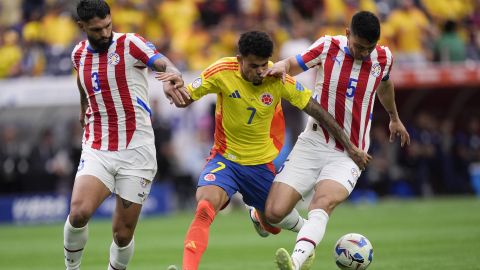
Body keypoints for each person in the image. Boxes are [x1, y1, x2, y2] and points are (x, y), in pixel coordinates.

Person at [156, 30, 371, 270]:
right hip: (225, 159)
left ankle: (265, 219)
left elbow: (315, 109)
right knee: (205, 206)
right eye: (253, 66)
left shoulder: (277, 77)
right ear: (239, 59)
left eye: (264, 64)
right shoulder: (221, 71)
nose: (260, 71)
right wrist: (174, 91)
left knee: (273, 223)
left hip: (260, 166)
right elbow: (186, 98)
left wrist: (350, 146)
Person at [262, 11, 411, 270]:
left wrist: (393, 117)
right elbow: (292, 64)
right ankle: (304, 238)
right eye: (359, 46)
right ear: (347, 34)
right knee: (274, 213)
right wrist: (280, 67)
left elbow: (385, 85)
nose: (364, 53)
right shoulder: (327, 47)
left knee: (323, 203)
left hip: (350, 153)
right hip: (313, 141)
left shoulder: (384, 57)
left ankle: (296, 262)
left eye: (369, 48)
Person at [63, 1, 185, 270]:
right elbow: (82, 82)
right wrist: (83, 106)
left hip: (137, 151)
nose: (105, 33)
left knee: (122, 233)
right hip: (98, 145)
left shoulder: (130, 44)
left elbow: (160, 61)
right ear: (81, 27)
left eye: (108, 25)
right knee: (79, 212)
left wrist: (172, 73)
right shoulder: (78, 54)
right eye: (97, 30)